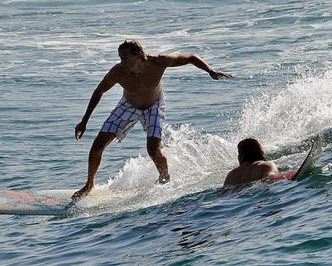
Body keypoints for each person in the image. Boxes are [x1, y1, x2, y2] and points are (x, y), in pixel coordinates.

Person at [72, 38, 233, 199]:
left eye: (125, 58)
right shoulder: (118, 72)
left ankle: (164, 178)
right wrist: (84, 121)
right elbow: (99, 91)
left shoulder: (158, 62)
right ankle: (89, 185)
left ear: (138, 55)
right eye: (120, 58)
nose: (122, 63)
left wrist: (211, 71)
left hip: (154, 105)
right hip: (128, 105)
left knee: (153, 149)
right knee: (98, 145)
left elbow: (190, 57)